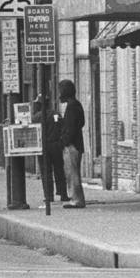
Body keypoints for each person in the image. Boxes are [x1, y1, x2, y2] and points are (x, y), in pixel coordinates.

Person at [32, 94, 70, 203]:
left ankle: (48, 196)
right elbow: (63, 127)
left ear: (39, 104)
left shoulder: (36, 117)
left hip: (43, 147)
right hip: (56, 146)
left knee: (46, 172)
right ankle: (63, 194)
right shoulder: (56, 114)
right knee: (59, 170)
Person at [58, 79, 86, 208]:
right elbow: (80, 123)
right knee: (73, 172)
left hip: (72, 145)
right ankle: (76, 198)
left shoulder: (72, 106)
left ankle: (76, 199)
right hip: (76, 143)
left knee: (72, 173)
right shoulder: (76, 104)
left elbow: (71, 127)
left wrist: (64, 141)